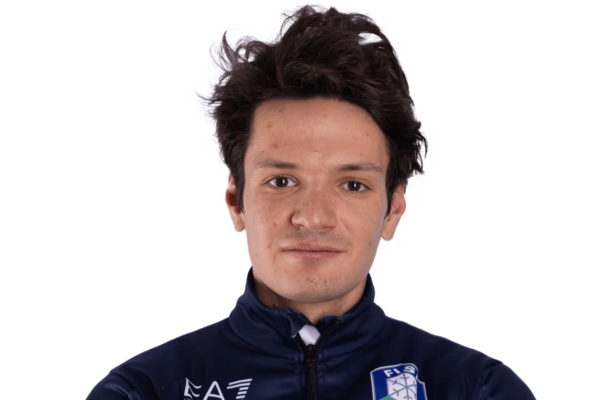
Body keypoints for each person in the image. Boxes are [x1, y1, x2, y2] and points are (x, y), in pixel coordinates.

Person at [86, 4, 535, 399]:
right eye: (282, 181)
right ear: (236, 201)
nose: (313, 216)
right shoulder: (141, 391)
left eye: (353, 185)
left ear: (393, 210)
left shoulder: (476, 389)